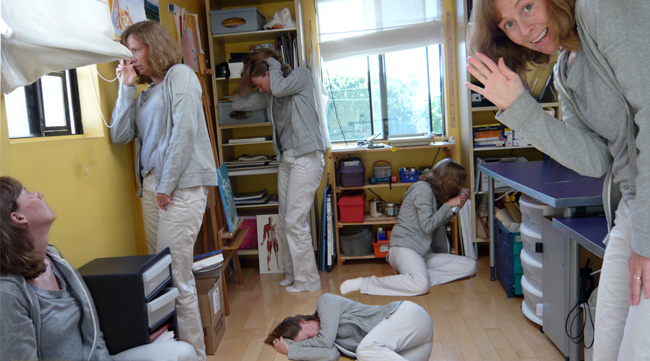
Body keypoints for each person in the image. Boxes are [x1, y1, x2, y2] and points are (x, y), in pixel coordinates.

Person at [464, 0, 650, 359]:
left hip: (645, 211)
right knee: (606, 344)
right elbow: (596, 159)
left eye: (528, 7)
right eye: (509, 25)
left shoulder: (601, 10)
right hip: (633, 202)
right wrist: (522, 110)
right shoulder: (564, 70)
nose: (525, 29)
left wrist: (645, 239)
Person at [109, 20, 217, 360]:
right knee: (162, 278)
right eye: (129, 53)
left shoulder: (181, 76)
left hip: (180, 186)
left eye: (137, 50)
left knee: (176, 275)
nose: (133, 59)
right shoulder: (144, 96)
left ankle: (195, 354)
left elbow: (183, 133)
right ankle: (178, 352)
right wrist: (126, 88)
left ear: (154, 46)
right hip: (154, 188)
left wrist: (166, 186)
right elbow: (120, 135)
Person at [0, 176, 196, 360]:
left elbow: (93, 331)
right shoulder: (8, 293)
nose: (39, 194)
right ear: (17, 217)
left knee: (182, 353)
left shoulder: (53, 258)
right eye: (27, 193)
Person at [232, 49, 326, 293]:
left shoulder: (301, 77)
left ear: (270, 73)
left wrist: (271, 62)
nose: (262, 90)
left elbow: (280, 87)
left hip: (307, 158)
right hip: (286, 160)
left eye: (261, 84)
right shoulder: (271, 96)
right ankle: (292, 272)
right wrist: (248, 79)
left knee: (295, 221)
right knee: (285, 219)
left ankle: (308, 281)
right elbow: (238, 103)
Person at [340, 158, 477, 296]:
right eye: (458, 183)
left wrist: (456, 207)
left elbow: (438, 222)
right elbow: (428, 226)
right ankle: (364, 283)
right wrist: (449, 204)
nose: (459, 187)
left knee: (470, 266)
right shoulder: (422, 189)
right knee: (420, 286)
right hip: (404, 248)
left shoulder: (434, 193)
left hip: (423, 252)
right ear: (449, 182)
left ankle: (414, 276)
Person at [265, 293, 433, 360]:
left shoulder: (326, 302)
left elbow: (325, 339)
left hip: (408, 316)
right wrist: (290, 349)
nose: (313, 341)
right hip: (414, 345)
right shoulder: (333, 344)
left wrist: (292, 350)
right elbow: (330, 355)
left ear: (303, 322)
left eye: (308, 337)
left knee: (364, 351)